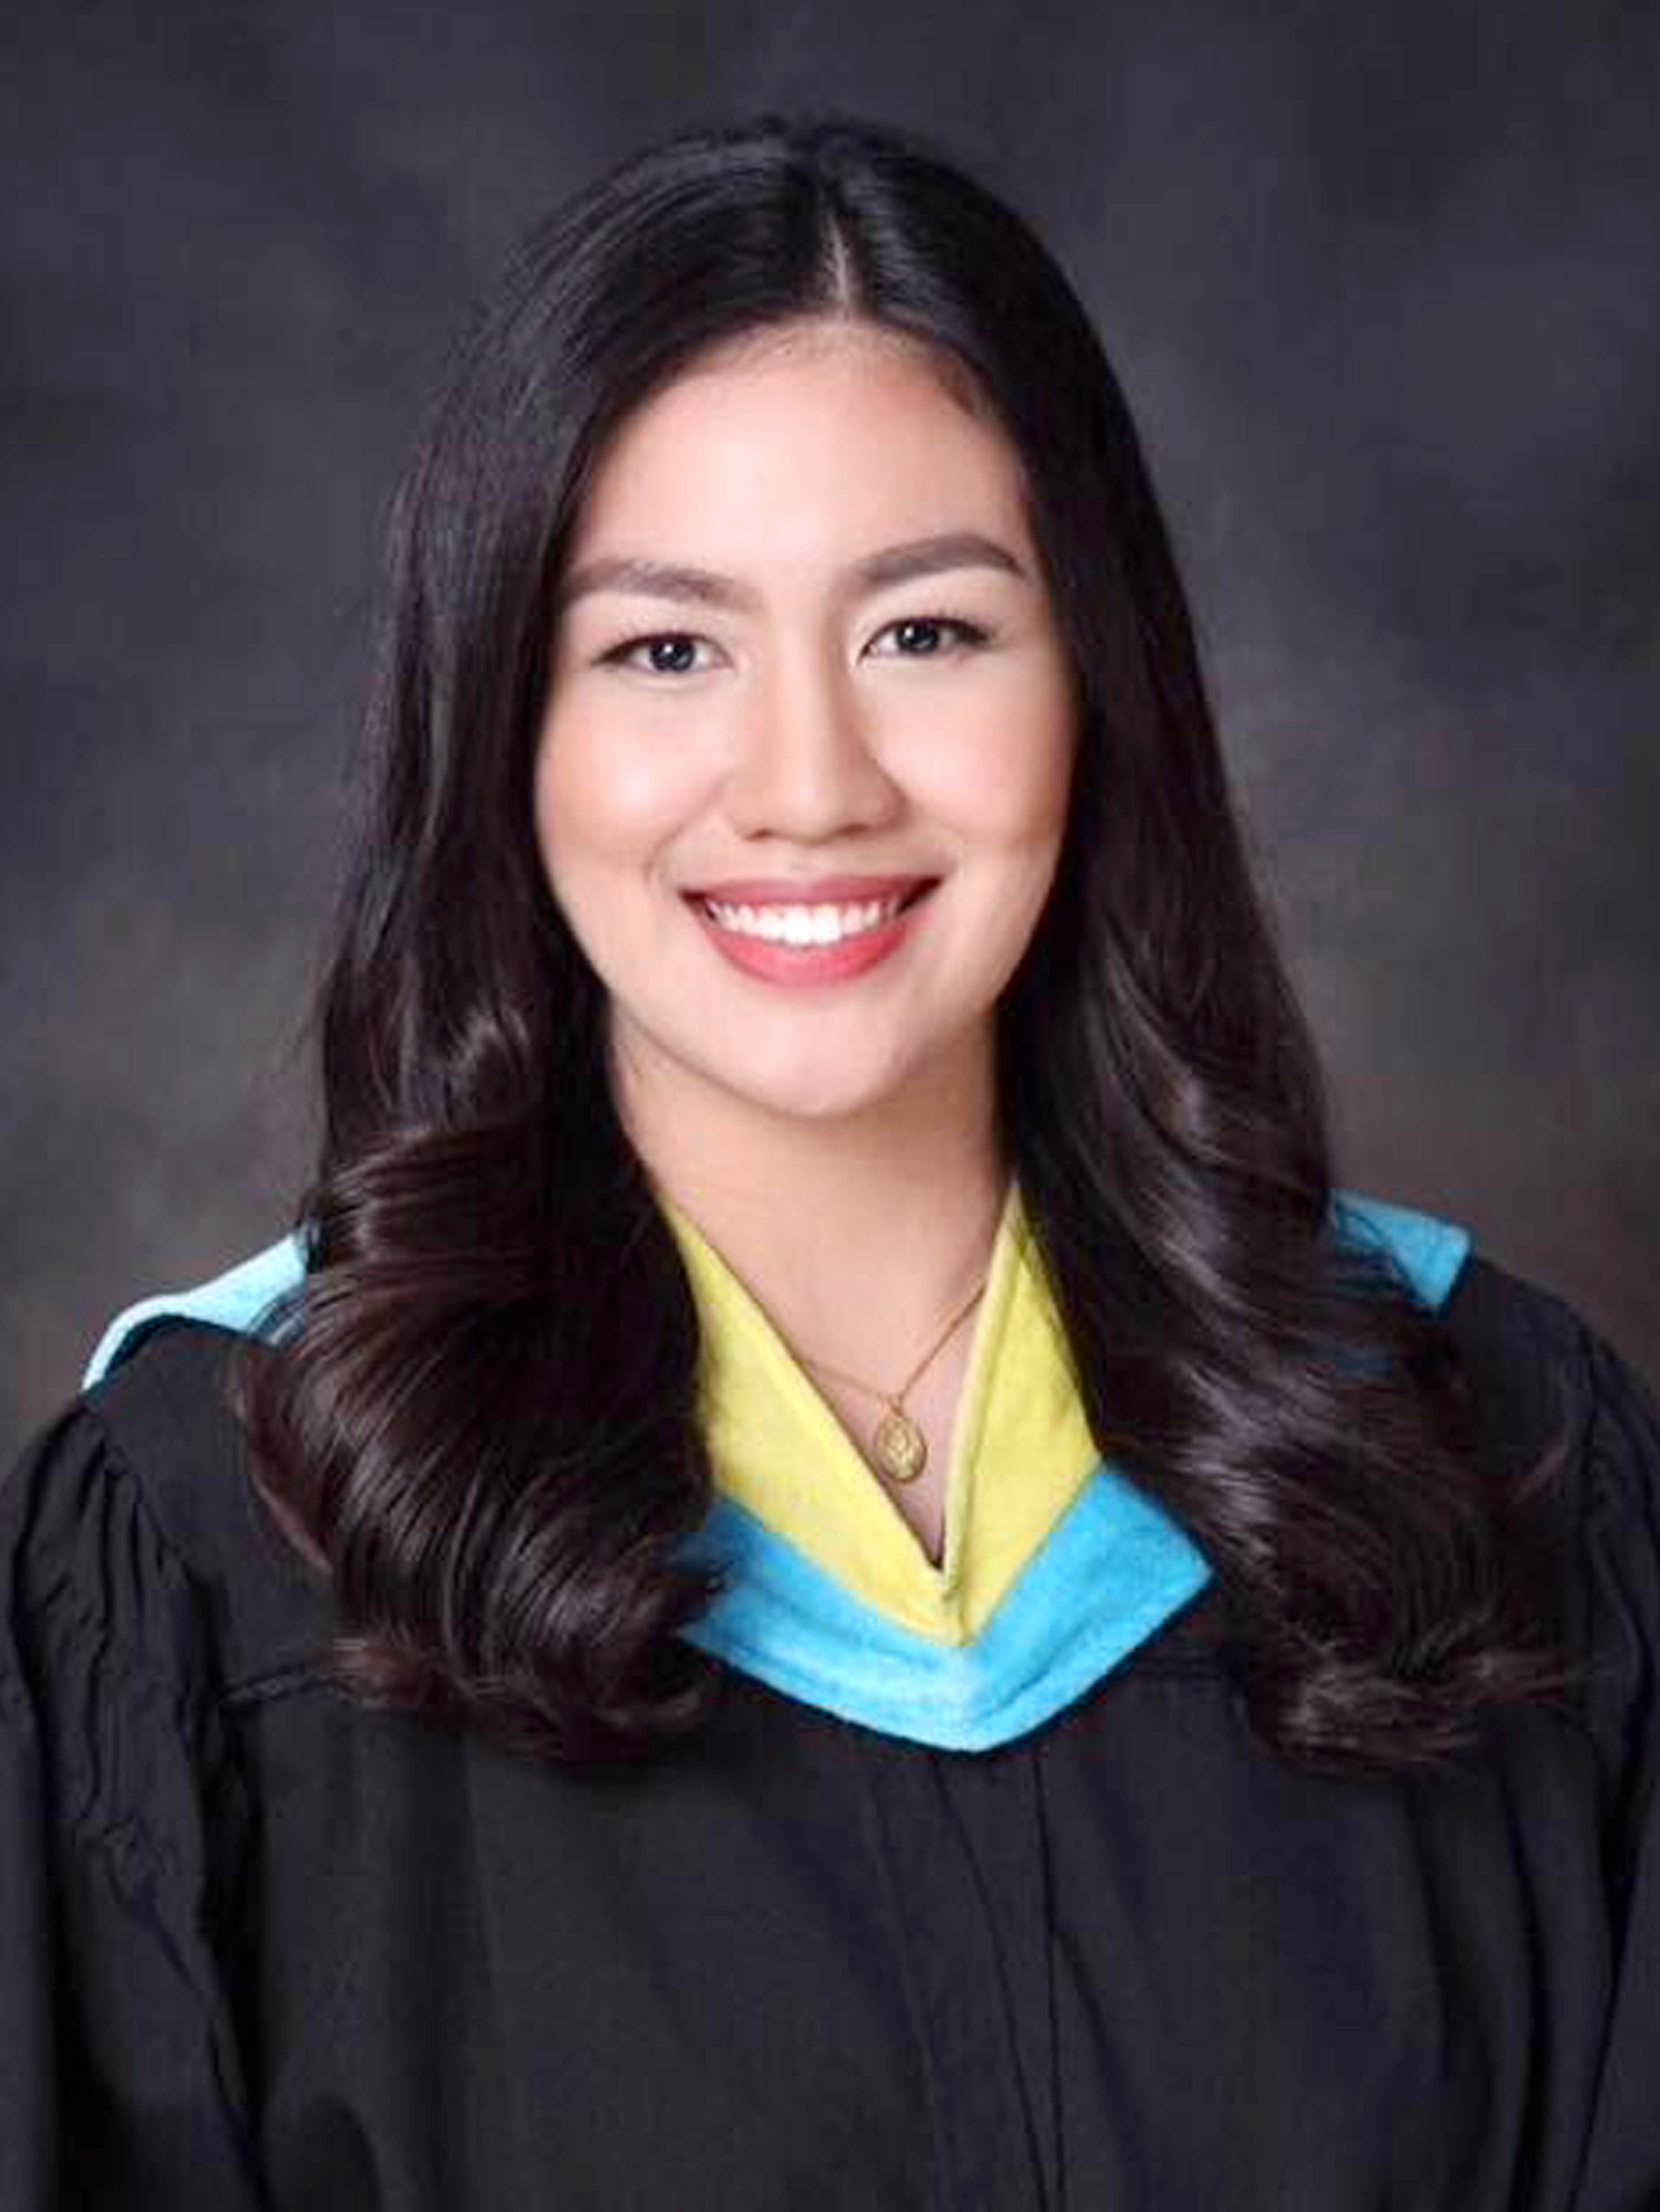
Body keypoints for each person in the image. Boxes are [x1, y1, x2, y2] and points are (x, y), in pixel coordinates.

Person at [1, 107, 1655, 2212]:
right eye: (664, 649)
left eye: (927, 633)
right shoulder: (210, 1541)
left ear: (1096, 682)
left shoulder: (1485, 1457)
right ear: (506, 722)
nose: (808, 785)